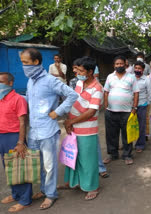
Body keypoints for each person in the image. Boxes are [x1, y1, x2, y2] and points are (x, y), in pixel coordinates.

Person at [20, 48, 78, 210]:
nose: (23, 66)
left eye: (26, 62)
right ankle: (44, 190)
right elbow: (31, 100)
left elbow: (72, 95)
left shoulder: (51, 80)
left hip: (48, 131)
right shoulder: (30, 81)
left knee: (49, 165)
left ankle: (51, 194)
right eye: (22, 63)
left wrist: (58, 111)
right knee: (37, 164)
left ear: (36, 62)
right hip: (34, 131)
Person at [63, 56, 103, 200]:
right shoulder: (80, 83)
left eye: (80, 70)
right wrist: (69, 121)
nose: (77, 73)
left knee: (88, 159)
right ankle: (75, 182)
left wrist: (71, 122)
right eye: (76, 69)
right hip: (74, 126)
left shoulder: (97, 88)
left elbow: (91, 112)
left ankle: (93, 187)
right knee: (74, 156)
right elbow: (72, 101)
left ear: (90, 71)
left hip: (87, 129)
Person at [0, 72, 32, 212]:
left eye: (1, 82)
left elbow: (22, 122)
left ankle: (25, 199)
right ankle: (15, 194)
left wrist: (20, 142)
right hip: (2, 136)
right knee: (9, 168)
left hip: (14, 136)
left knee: (20, 167)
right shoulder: (1, 98)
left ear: (10, 83)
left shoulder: (18, 99)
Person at [103, 55, 139, 165]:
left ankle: (127, 155)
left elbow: (136, 93)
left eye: (121, 63)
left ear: (125, 64)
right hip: (111, 111)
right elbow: (106, 92)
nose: (119, 65)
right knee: (111, 134)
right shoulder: (110, 76)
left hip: (127, 111)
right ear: (114, 65)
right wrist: (106, 107)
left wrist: (134, 108)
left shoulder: (131, 77)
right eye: (117, 64)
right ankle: (112, 154)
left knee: (127, 134)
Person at [134, 61, 151, 152]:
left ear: (143, 70)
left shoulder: (146, 79)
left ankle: (140, 144)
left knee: (141, 126)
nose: (137, 70)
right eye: (136, 68)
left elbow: (150, 94)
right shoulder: (130, 78)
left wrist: (146, 104)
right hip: (130, 106)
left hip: (142, 105)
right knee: (129, 125)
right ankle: (128, 143)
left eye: (139, 68)